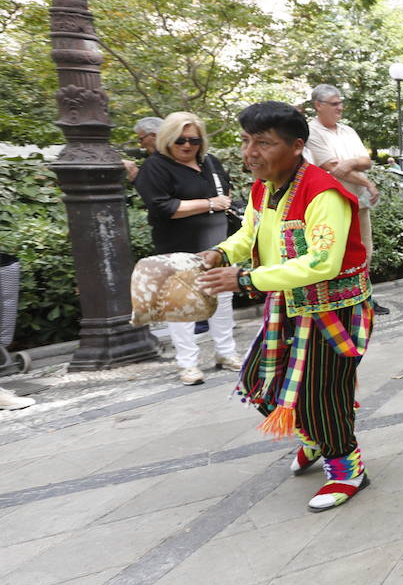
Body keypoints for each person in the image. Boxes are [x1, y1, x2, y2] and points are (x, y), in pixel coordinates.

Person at [196, 102, 374, 512]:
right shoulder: (264, 186)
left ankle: (348, 469)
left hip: (333, 310)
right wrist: (221, 254)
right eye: (246, 141)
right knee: (261, 381)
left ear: (296, 146)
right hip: (288, 305)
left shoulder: (324, 192)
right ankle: (313, 439)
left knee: (320, 394)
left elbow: (322, 262)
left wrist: (245, 279)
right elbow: (249, 235)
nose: (250, 153)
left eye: (263, 143)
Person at [133, 112, 241, 385]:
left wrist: (218, 204)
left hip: (218, 244)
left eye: (193, 139)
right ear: (168, 138)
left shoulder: (210, 163)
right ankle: (188, 365)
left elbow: (225, 196)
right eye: (180, 139)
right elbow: (164, 207)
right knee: (181, 307)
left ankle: (226, 353)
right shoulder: (156, 166)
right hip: (178, 247)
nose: (187, 145)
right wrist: (209, 204)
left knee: (222, 301)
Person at [303, 84, 387, 315]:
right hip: (333, 204)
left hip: (358, 201)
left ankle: (364, 296)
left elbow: (365, 161)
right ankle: (341, 301)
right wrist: (368, 183)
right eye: (334, 103)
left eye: (341, 102)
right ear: (318, 105)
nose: (340, 108)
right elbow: (331, 168)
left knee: (365, 251)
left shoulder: (348, 131)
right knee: (335, 253)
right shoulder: (312, 132)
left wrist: (348, 163)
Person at [123, 117, 164, 182]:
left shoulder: (155, 161)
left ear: (154, 135)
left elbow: (153, 190)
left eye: (141, 139)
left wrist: (135, 176)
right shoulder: (177, 155)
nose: (141, 146)